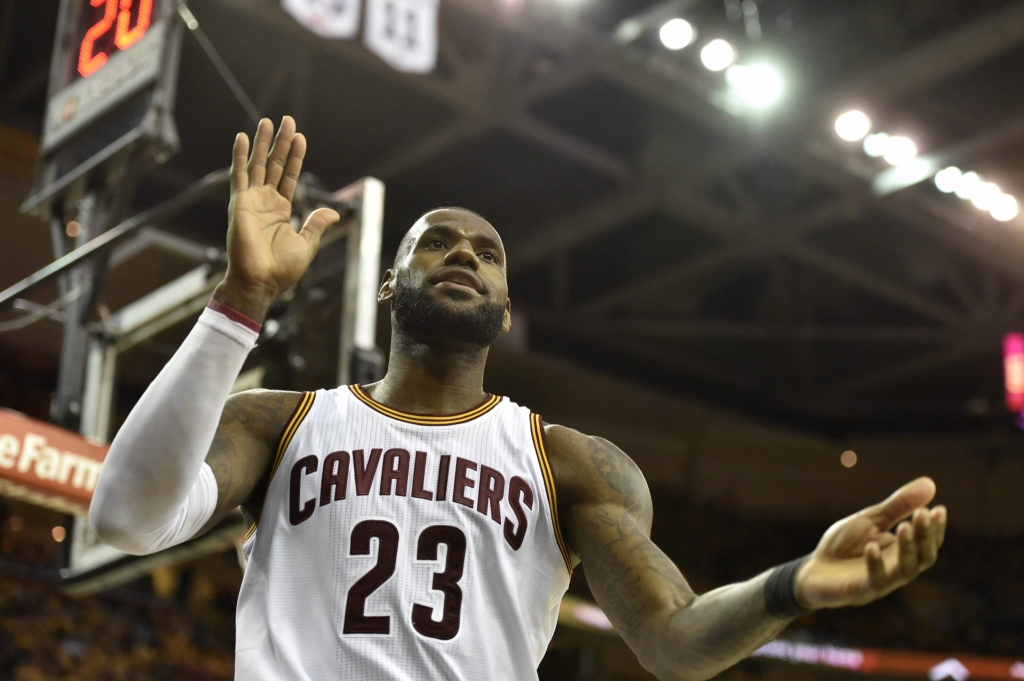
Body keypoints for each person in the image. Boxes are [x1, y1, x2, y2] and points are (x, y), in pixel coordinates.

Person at [88, 117, 947, 681]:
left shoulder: (573, 463)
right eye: (437, 243)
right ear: (389, 287)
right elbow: (126, 516)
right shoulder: (278, 423)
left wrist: (794, 584)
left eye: (487, 251)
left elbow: (673, 637)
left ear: (503, 311)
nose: (464, 253)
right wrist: (240, 301)